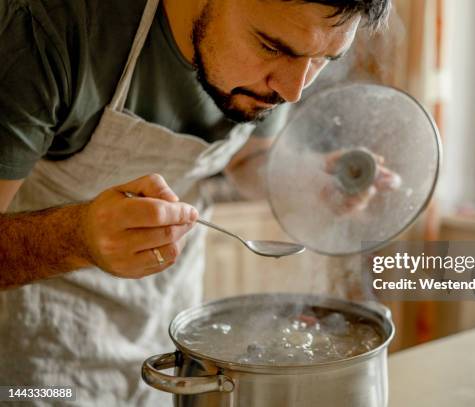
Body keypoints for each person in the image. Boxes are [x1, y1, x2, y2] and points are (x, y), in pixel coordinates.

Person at [0, 0, 390, 404]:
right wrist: (77, 237)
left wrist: (306, 179)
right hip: (34, 357)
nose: (293, 91)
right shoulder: (47, 30)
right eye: (272, 48)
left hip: (167, 342)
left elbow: (246, 158)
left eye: (324, 59)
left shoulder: (276, 70)